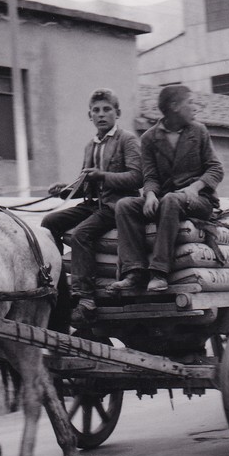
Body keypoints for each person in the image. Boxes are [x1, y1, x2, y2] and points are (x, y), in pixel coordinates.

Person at [109, 84, 224, 294]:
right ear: (174, 106)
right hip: (166, 200)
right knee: (125, 205)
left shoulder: (198, 132)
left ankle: (159, 273)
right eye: (190, 102)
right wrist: (151, 194)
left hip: (199, 201)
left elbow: (216, 169)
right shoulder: (149, 139)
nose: (195, 107)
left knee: (171, 199)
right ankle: (134, 272)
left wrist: (195, 187)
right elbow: (150, 176)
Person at [41, 88, 142, 321]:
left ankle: (85, 298)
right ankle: (54, 283)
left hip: (119, 205)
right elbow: (85, 185)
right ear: (90, 116)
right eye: (96, 111)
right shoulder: (90, 145)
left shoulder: (127, 140)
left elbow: (138, 177)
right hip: (94, 204)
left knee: (82, 233)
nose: (101, 114)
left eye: (107, 109)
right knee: (49, 223)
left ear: (117, 113)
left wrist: (102, 176)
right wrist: (64, 190)